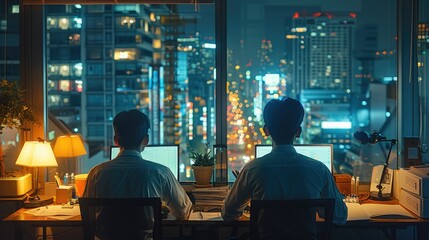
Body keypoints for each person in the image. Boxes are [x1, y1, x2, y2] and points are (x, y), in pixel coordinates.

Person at [222, 97, 347, 239]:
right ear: (298, 131)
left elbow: (228, 214)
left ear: (266, 130)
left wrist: (245, 191)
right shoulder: (319, 170)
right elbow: (339, 217)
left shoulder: (252, 169)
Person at [83, 109, 192, 239]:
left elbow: (87, 213)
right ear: (145, 140)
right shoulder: (160, 173)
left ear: (116, 140)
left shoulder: (96, 173)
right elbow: (183, 212)